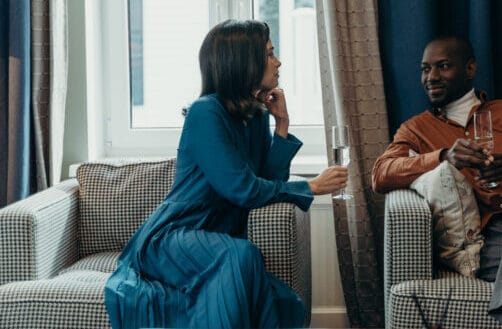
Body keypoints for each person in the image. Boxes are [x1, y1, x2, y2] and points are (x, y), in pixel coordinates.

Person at [104, 19, 347, 329]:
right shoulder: (205, 112)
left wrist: (281, 126)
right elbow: (243, 189)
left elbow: (268, 183)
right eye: (270, 54)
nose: (278, 61)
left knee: (287, 304)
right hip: (172, 237)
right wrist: (311, 186)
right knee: (241, 256)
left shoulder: (255, 115)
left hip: (219, 239)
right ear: (243, 62)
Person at [372, 35, 502, 328]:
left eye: (443, 66)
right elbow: (381, 174)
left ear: (470, 69)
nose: (431, 77)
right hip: (497, 239)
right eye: (425, 69)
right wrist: (444, 156)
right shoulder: (417, 129)